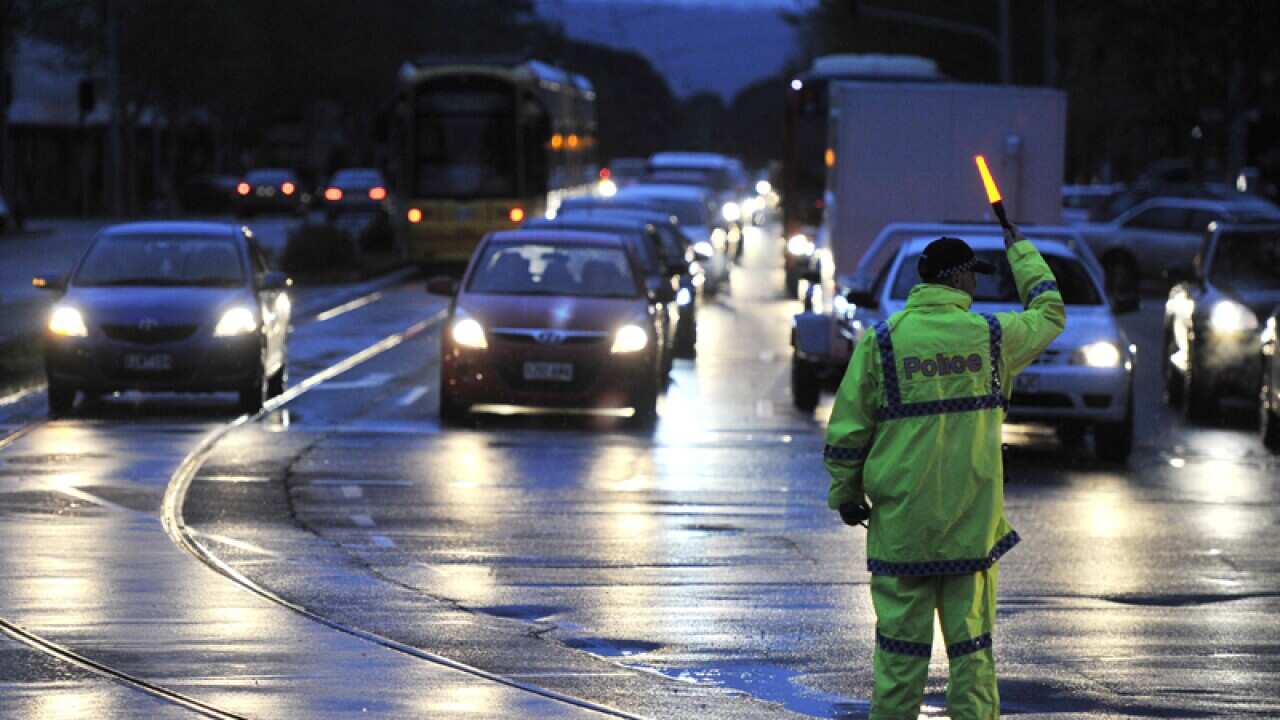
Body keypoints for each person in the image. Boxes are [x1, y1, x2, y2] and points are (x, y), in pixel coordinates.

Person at [823, 224, 1065, 719]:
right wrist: (1020, 249)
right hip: (967, 535)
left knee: (898, 661)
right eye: (972, 276)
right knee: (971, 659)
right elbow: (1049, 312)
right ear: (958, 278)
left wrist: (846, 493)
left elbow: (848, 430)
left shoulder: (883, 343)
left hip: (901, 536)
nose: (977, 286)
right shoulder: (992, 338)